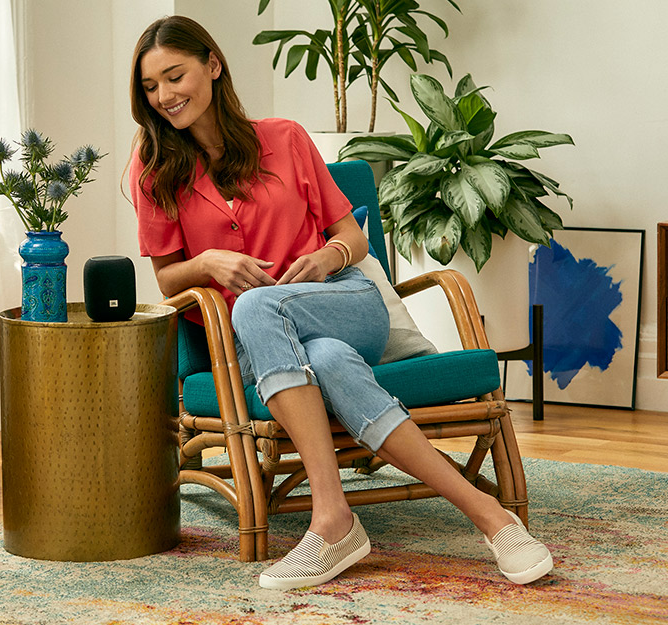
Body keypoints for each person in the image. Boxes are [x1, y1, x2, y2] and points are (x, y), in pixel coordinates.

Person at [127, 15, 553, 590]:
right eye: (151, 87)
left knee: (256, 306)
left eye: (174, 76)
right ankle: (491, 517)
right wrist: (208, 263)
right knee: (319, 357)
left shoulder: (285, 138)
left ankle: (331, 519)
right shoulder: (156, 170)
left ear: (213, 64)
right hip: (260, 347)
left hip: (345, 302)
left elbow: (352, 237)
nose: (165, 96)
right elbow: (166, 281)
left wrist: (329, 257)